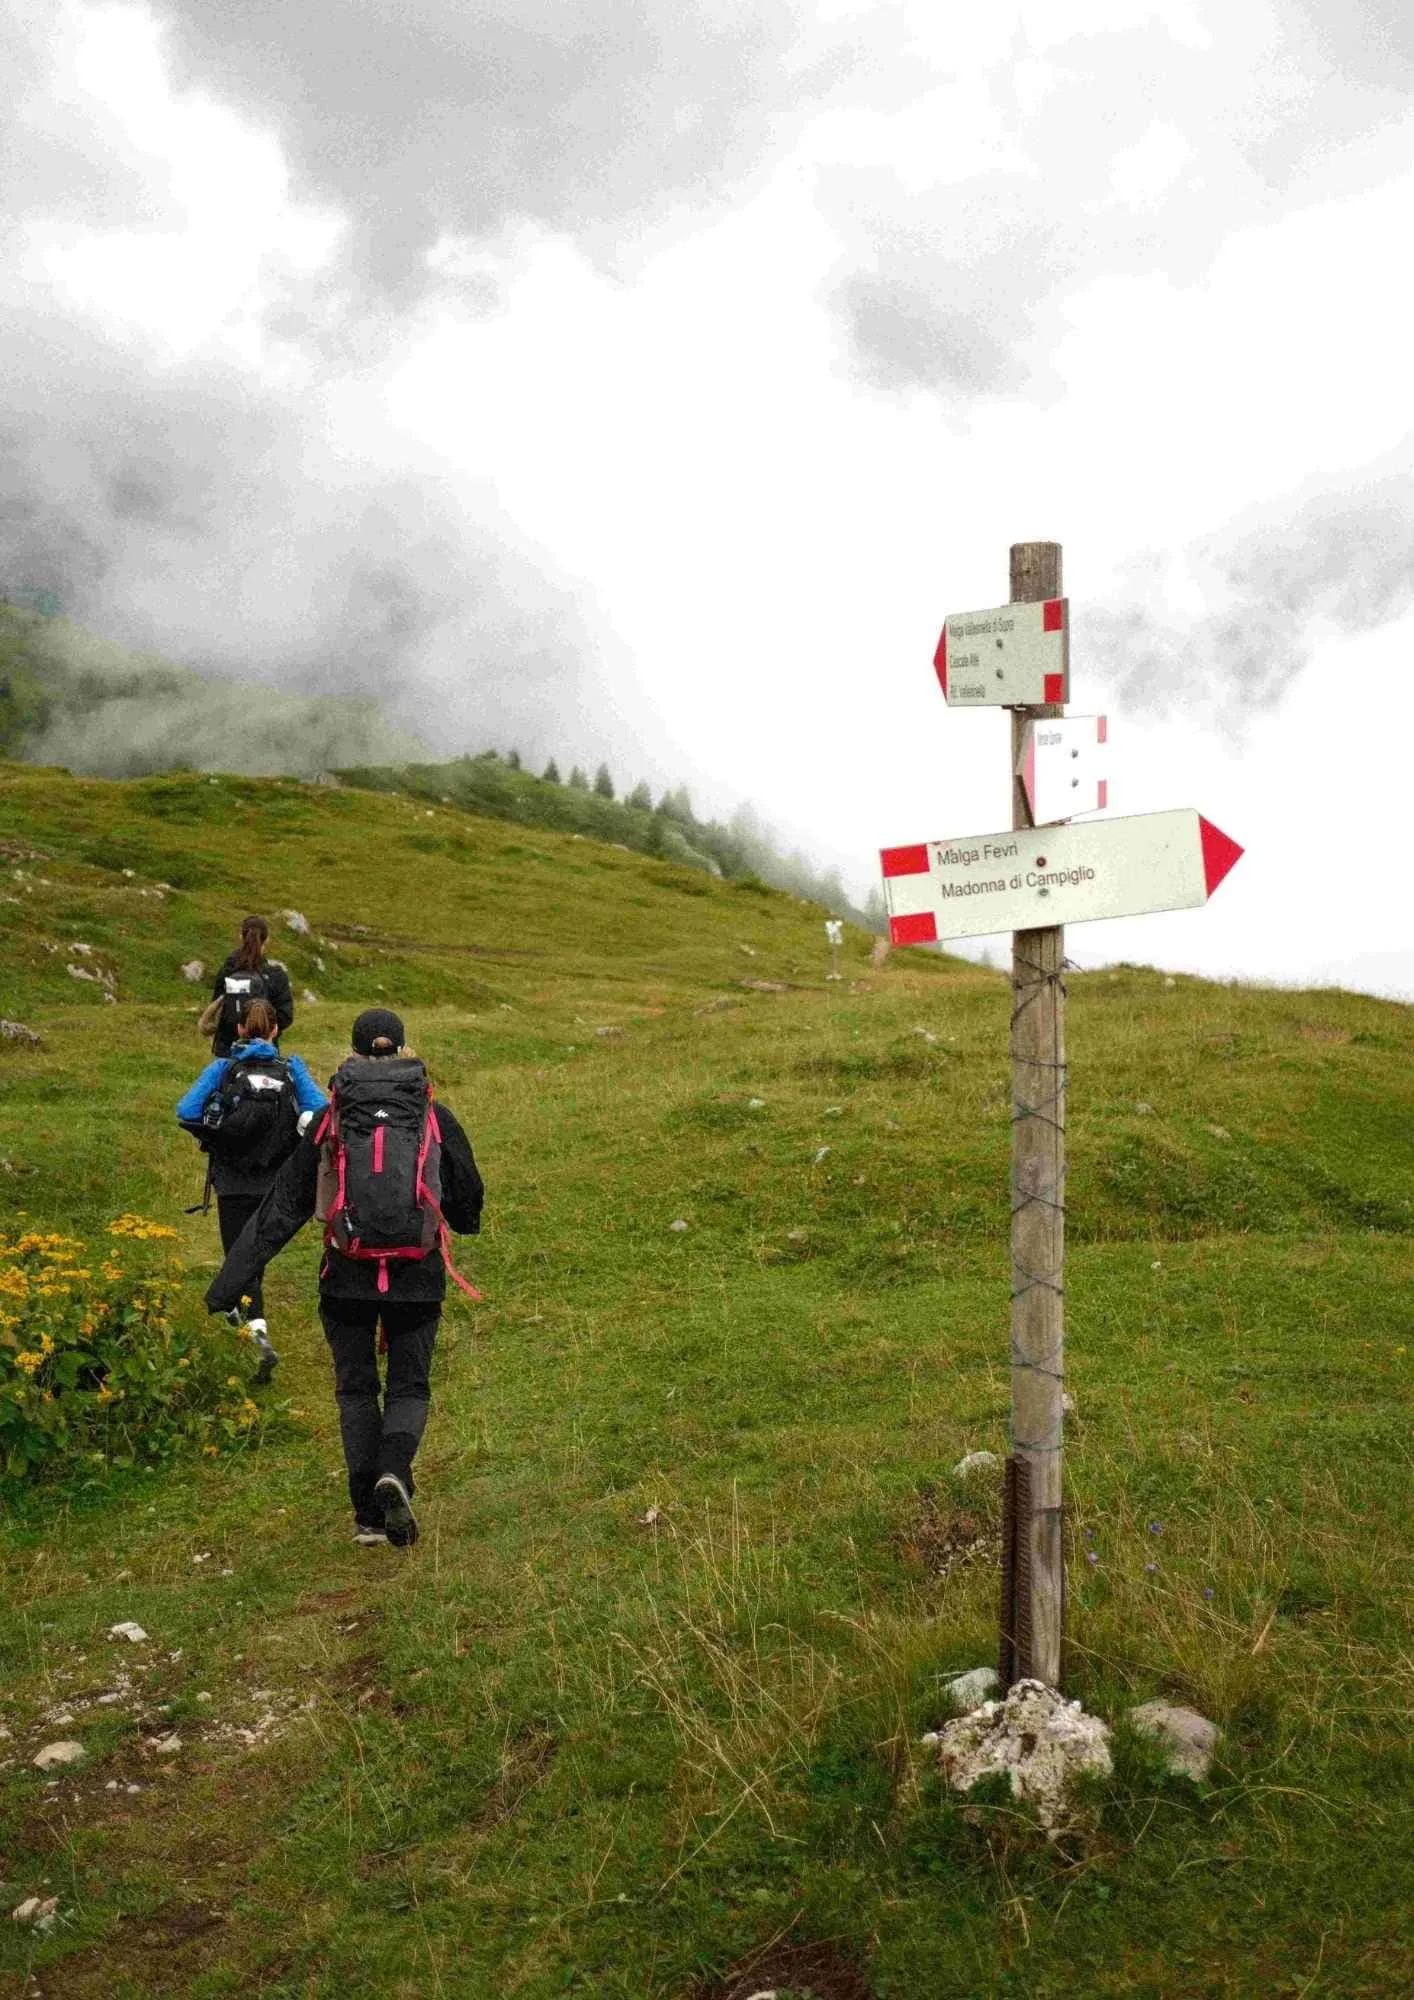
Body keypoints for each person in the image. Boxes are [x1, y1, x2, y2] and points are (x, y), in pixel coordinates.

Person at [204, 1008, 484, 1548]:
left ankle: (368, 1517)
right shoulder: (432, 1115)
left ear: (353, 1054)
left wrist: (227, 1286)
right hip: (416, 1277)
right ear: (404, 1050)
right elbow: (468, 1205)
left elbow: (280, 1211)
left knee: (356, 1390)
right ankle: (394, 1473)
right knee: (409, 1383)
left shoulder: (333, 1120)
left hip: (345, 1276)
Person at [177, 998, 327, 1381]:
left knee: (240, 1258)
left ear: (240, 1030)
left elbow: (186, 1111)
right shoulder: (292, 1069)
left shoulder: (223, 1068)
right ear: (276, 1031)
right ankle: (251, 1330)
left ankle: (256, 1338)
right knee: (253, 1258)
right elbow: (323, 1113)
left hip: (231, 1182)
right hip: (276, 1183)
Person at [200, 915, 295, 1058]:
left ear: (241, 936)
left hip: (227, 1052)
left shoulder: (228, 970)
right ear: (267, 939)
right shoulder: (275, 975)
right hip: (264, 1051)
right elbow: (285, 1016)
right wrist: (266, 1030)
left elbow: (218, 1007)